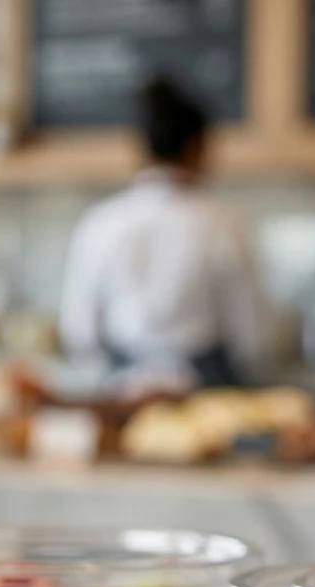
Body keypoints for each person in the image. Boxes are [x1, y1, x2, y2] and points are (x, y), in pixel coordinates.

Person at [58, 76, 271, 397]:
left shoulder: (101, 223)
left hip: (120, 394)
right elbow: (252, 336)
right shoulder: (223, 223)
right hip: (206, 396)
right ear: (197, 148)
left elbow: (80, 333)